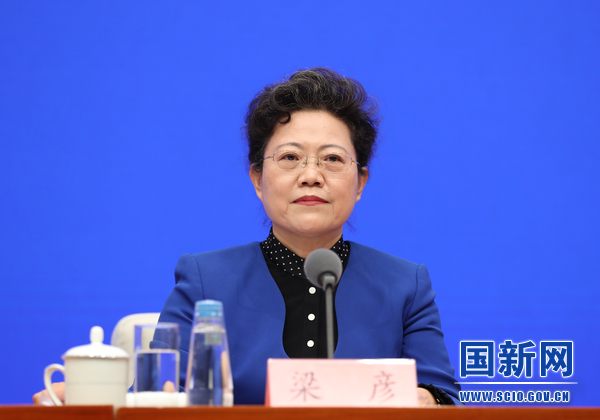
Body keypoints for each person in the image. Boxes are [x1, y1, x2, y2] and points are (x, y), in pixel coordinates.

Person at [33, 67, 460, 406]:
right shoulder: (205, 280)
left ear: (360, 181)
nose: (311, 176)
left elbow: (442, 397)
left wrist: (424, 400)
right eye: (290, 157)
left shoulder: (404, 285)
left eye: (332, 159)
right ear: (258, 178)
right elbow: (160, 395)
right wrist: (96, 401)